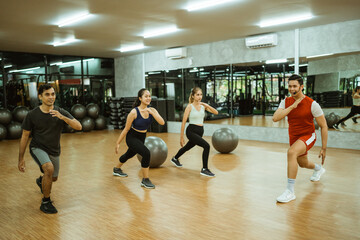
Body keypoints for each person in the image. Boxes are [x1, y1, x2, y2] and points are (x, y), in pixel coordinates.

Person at [18, 84, 82, 214]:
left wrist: (62, 117)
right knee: (49, 169)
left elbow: (79, 126)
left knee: (53, 178)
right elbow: (25, 136)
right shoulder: (32, 115)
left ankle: (41, 181)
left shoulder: (60, 111)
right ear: (40, 96)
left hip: (54, 150)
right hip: (38, 147)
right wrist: (21, 158)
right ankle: (45, 202)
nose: (51, 97)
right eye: (47, 94)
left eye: (53, 94)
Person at [272, 74, 328, 203]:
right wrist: (292, 106)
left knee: (291, 152)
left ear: (301, 87)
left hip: (308, 135)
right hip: (294, 136)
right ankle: (318, 169)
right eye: (290, 86)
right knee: (303, 163)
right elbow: (275, 118)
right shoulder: (285, 101)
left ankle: (290, 191)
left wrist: (324, 148)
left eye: (295, 86)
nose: (292, 89)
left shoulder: (312, 104)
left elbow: (324, 126)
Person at [113, 88, 165, 189]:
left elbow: (162, 122)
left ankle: (116, 168)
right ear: (140, 98)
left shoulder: (152, 110)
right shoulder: (134, 112)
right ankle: (145, 180)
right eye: (146, 96)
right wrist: (118, 143)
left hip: (141, 137)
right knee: (146, 153)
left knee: (129, 154)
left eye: (149, 96)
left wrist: (152, 113)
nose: (148, 98)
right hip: (132, 137)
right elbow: (126, 129)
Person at [170, 87, 218, 177]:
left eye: (201, 95)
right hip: (191, 131)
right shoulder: (189, 106)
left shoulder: (203, 106)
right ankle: (204, 169)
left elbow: (216, 112)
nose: (200, 97)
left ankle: (175, 158)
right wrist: (181, 137)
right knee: (206, 146)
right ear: (193, 96)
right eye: (197, 95)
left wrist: (206, 105)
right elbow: (183, 122)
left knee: (188, 147)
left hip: (200, 131)